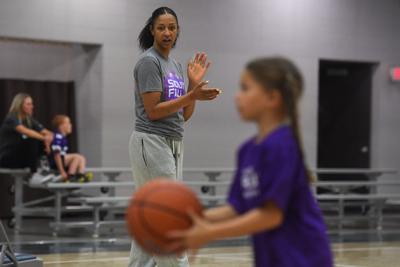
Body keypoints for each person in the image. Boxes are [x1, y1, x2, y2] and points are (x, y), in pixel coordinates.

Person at [168, 57, 333, 267]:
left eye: (245, 89)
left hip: (304, 256)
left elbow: (271, 215)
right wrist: (194, 219)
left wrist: (209, 233)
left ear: (272, 98)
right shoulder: (247, 150)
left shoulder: (282, 145)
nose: (237, 96)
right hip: (272, 257)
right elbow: (237, 207)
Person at [128, 6, 221, 267]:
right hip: (151, 142)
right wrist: (191, 95)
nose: (167, 32)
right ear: (152, 30)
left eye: (172, 27)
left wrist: (192, 85)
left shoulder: (175, 65)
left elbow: (183, 116)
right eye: (161, 28)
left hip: (173, 144)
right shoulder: (149, 62)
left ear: (178, 30)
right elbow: (153, 111)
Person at [0, 93, 53, 172]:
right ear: (20, 105)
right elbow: (26, 131)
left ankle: (46, 165)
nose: (32, 107)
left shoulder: (29, 119)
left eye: (32, 104)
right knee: (33, 138)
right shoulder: (11, 118)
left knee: (39, 139)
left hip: (20, 156)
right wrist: (44, 139)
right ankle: (33, 172)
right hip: (7, 157)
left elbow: (48, 133)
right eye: (28, 104)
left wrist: (48, 142)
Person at [48, 115, 88, 182]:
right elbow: (56, 155)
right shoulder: (58, 137)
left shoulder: (63, 138)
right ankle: (71, 176)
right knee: (77, 157)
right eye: (68, 123)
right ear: (61, 126)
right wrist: (62, 171)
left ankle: (80, 175)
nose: (71, 125)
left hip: (61, 161)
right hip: (54, 163)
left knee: (81, 158)